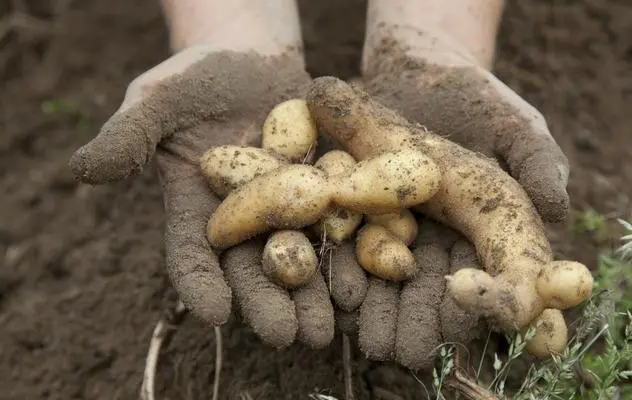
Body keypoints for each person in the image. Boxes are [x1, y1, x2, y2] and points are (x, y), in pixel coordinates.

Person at [69, 0, 570, 368]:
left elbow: (445, 186)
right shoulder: (318, 183)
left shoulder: (355, 178)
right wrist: (232, 32)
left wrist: (433, 42)